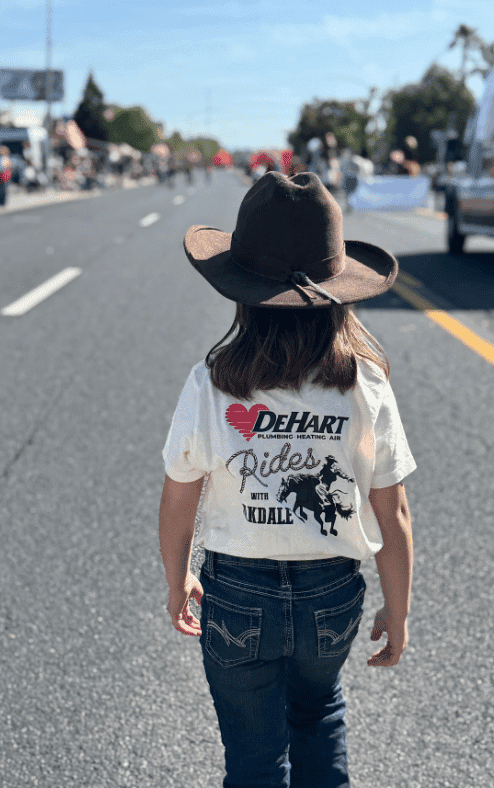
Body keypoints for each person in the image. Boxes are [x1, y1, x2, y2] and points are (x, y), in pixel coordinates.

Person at [159, 171, 416, 788]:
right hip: (331, 591)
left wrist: (178, 579)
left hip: (238, 594)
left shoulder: (214, 382)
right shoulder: (364, 384)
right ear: (340, 293)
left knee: (252, 753)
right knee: (319, 716)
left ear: (241, 291)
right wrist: (398, 610)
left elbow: (178, 493)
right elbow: (394, 512)